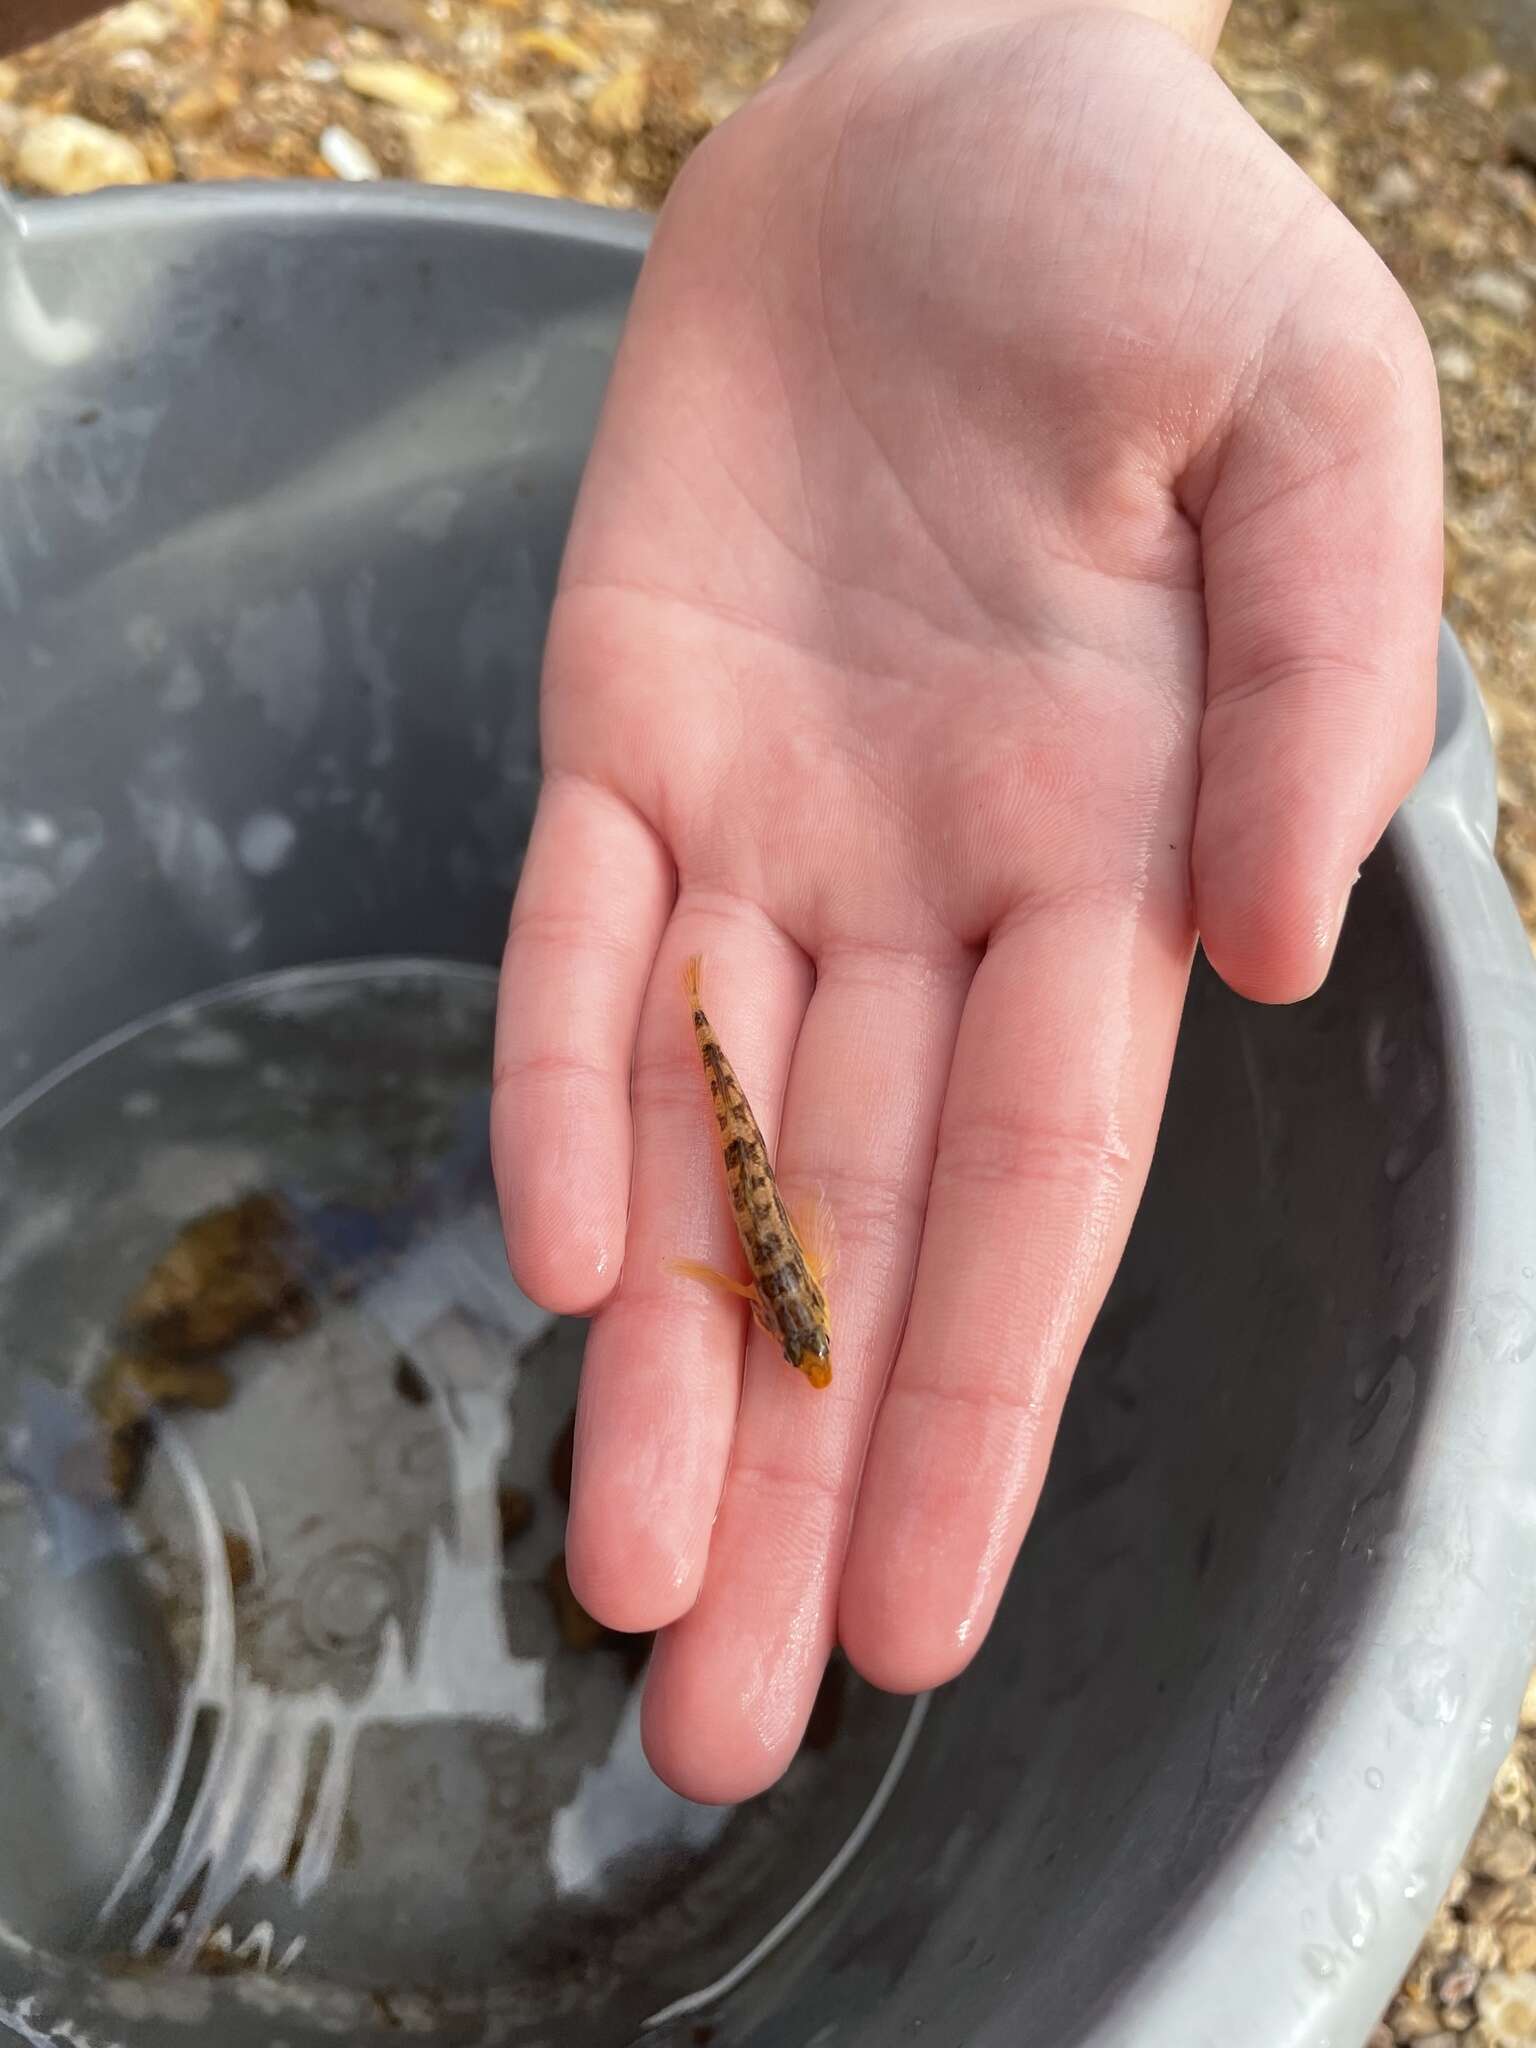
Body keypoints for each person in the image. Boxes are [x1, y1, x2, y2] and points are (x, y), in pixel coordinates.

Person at [15, 0, 1443, 1809]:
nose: (789, 1297)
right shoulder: (784, 1256)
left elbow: (759, 1246)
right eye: (797, 1307)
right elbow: (765, 1242)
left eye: (798, 1309)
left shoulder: (776, 1262)